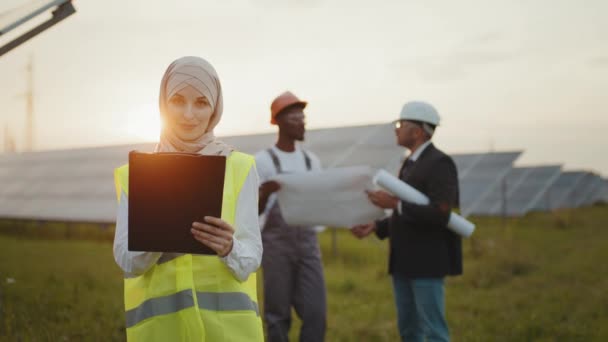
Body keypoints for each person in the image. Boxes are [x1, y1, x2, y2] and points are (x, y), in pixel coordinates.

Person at [113, 56, 264, 342]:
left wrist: (229, 247)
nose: (188, 114)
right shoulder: (134, 174)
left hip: (228, 333)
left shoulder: (240, 167)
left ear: (215, 108)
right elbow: (126, 260)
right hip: (162, 332)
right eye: (178, 100)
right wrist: (155, 234)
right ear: (163, 104)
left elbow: (252, 255)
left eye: (201, 102)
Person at [351, 101, 462, 342]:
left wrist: (394, 204)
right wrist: (376, 226)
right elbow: (407, 212)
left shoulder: (439, 163)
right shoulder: (410, 164)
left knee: (433, 331)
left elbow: (440, 213)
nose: (396, 130)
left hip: (426, 262)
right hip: (404, 262)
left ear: (418, 131)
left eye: (401, 125)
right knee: (410, 330)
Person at [255, 91, 327, 342]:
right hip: (276, 246)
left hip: (308, 245)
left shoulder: (311, 161)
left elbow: (319, 204)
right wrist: (265, 192)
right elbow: (253, 212)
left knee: (316, 313)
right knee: (277, 315)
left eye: (303, 116)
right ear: (278, 122)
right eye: (296, 117)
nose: (302, 122)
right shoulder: (263, 161)